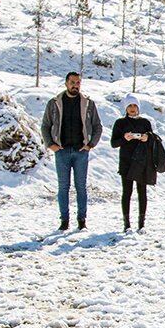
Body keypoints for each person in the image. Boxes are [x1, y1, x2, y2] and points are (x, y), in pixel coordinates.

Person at [40, 71, 103, 231]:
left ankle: (82, 221)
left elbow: (97, 126)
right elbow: (45, 126)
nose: (75, 85)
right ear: (66, 83)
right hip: (61, 151)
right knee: (63, 187)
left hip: (81, 151)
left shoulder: (88, 103)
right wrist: (50, 144)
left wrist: (90, 145)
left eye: (78, 83)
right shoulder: (54, 103)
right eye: (73, 82)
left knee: (81, 187)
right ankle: (64, 221)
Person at [110, 93, 160, 231]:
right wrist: (125, 138)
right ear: (125, 108)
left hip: (142, 162)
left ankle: (142, 223)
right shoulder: (120, 123)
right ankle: (126, 224)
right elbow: (114, 143)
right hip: (126, 161)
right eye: (129, 106)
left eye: (134, 105)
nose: (132, 108)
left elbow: (152, 140)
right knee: (127, 192)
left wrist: (146, 138)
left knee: (142, 192)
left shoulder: (145, 122)